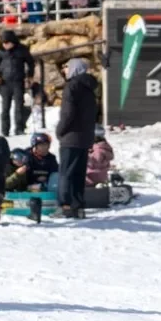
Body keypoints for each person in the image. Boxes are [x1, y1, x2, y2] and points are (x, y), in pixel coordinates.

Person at [56, 58, 98, 218]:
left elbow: (68, 114)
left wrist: (60, 130)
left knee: (66, 173)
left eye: (66, 66)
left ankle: (65, 206)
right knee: (79, 174)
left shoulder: (72, 86)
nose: (64, 70)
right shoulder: (89, 88)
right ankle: (78, 206)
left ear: (74, 68)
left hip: (71, 137)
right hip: (85, 137)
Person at [0, 29, 34, 136]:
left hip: (18, 81)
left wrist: (30, 76)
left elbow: (30, 62)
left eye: (7, 43)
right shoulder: (0, 51)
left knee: (19, 106)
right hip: (4, 83)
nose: (5, 45)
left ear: (13, 41)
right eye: (3, 43)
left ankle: (19, 128)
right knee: (5, 107)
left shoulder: (22, 50)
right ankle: (5, 130)